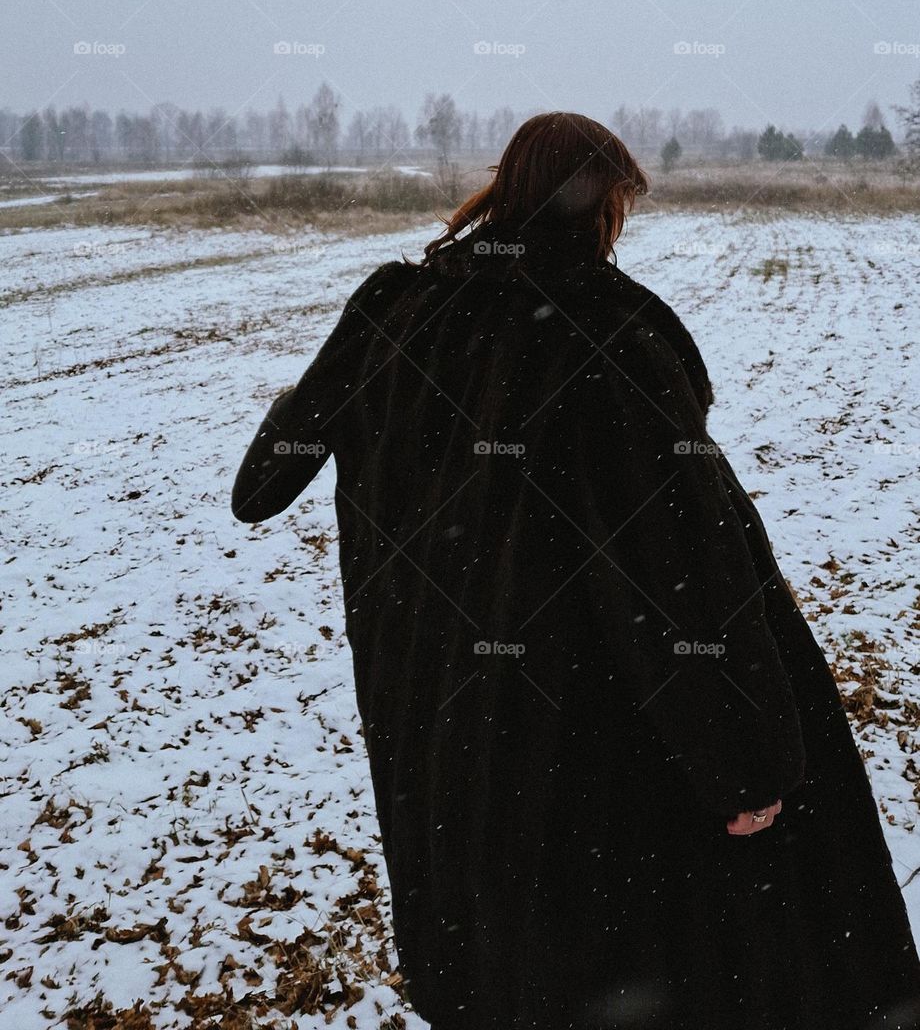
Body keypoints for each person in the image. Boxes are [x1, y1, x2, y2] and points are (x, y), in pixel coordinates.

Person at [232, 112, 920, 1029]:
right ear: (601, 209)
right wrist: (749, 764)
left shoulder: (391, 309)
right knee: (625, 969)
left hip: (443, 740)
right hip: (579, 740)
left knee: (502, 968)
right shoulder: (607, 334)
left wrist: (346, 373)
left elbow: (261, 480)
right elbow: (685, 566)